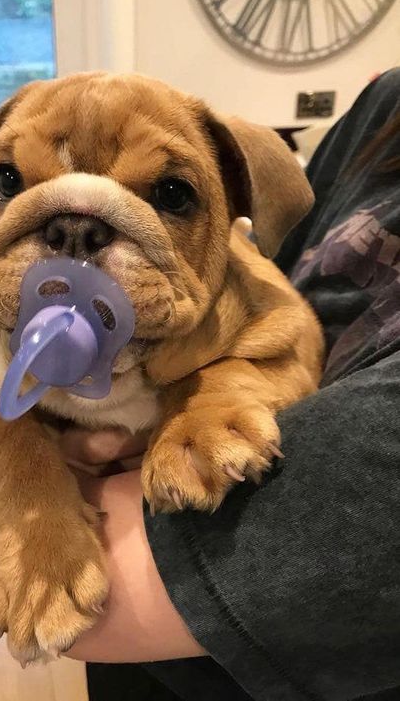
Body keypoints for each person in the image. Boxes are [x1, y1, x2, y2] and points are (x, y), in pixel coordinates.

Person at [61, 68, 400, 700]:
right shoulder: (388, 100)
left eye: (170, 190)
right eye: (9, 181)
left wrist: (216, 392)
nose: (78, 243)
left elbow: (89, 609)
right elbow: (265, 271)